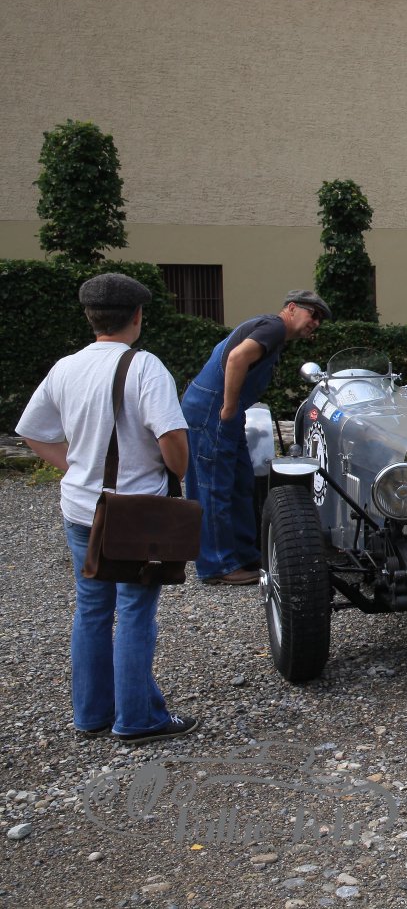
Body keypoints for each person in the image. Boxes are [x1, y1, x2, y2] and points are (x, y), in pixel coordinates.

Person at [17, 273, 199, 743]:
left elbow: (32, 431)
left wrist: (78, 466)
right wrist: (177, 470)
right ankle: (137, 719)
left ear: (89, 316)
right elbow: (172, 438)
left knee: (92, 609)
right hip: (135, 512)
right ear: (137, 316)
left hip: (81, 507)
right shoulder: (144, 366)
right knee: (135, 610)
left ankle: (91, 714)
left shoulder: (66, 367)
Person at [182, 289, 329, 585]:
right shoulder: (273, 327)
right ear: (291, 308)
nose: (315, 322)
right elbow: (237, 358)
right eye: (312, 314)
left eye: (320, 320)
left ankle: (245, 554)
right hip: (213, 411)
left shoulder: (272, 332)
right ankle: (217, 565)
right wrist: (228, 407)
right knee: (214, 487)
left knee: (241, 482)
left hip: (223, 412)